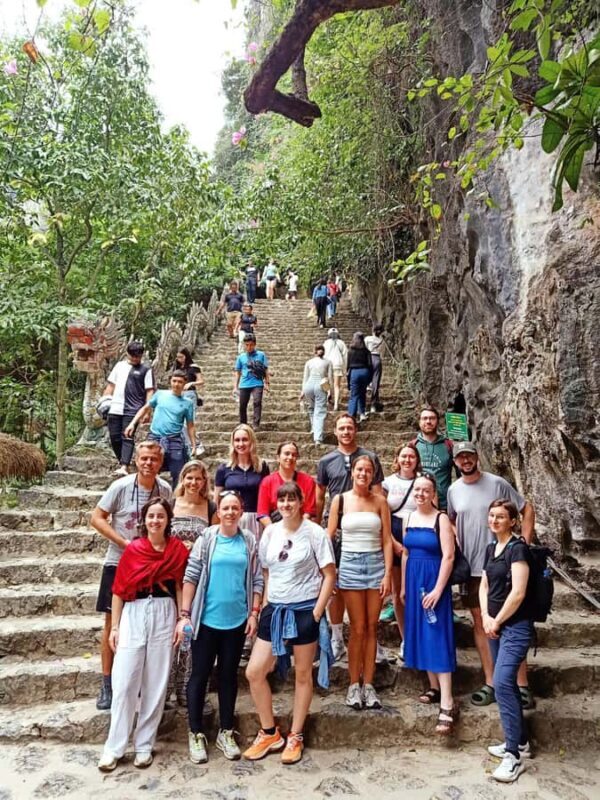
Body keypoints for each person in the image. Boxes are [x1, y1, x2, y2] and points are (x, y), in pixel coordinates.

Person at [244, 481, 336, 764]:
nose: (286, 505)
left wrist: (317, 613)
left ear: (301, 501)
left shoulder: (315, 533)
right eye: (281, 500)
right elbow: (266, 571)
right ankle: (269, 732)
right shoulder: (270, 532)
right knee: (254, 671)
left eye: (291, 499)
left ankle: (295, 735)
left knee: (303, 674)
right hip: (275, 609)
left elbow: (329, 575)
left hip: (304, 609)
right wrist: (265, 604)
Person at [97, 497, 189, 771]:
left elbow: (180, 585)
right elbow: (118, 590)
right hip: (134, 612)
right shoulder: (134, 549)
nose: (155, 521)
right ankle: (114, 747)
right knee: (124, 681)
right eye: (151, 516)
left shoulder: (176, 550)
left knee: (156, 681)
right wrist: (115, 627)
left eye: (160, 516)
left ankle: (144, 745)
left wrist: (181, 618)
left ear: (168, 520)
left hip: (164, 611)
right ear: (144, 520)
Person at [176, 490, 264, 764]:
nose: (230, 512)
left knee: (228, 676)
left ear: (241, 511)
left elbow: (257, 579)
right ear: (218, 511)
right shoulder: (207, 538)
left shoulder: (248, 540)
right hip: (205, 621)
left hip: (236, 622)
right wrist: (185, 614)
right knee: (199, 675)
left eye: (235, 508)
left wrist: (254, 613)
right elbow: (191, 575)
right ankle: (195, 733)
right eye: (225, 508)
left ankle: (226, 731)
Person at [447, 441, 535, 708]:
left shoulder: (497, 483)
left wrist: (523, 544)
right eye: (460, 457)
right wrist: (457, 543)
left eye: (469, 456)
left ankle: (521, 685)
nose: (465, 460)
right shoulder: (453, 490)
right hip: (472, 568)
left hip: (502, 566)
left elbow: (526, 508)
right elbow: (451, 520)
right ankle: (492, 682)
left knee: (511, 621)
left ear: (477, 457)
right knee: (480, 623)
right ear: (455, 461)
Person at [91, 441, 172, 711]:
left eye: (154, 459)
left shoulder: (165, 489)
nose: (148, 463)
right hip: (119, 560)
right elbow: (97, 518)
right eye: (144, 458)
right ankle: (107, 683)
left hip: (151, 565)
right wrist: (124, 543)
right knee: (111, 621)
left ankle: (143, 685)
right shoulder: (121, 486)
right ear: (136, 460)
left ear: (160, 463)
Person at [316, 413, 385, 662]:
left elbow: (379, 493)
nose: (346, 432)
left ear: (356, 430)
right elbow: (320, 495)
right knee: (335, 585)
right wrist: (318, 525)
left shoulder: (370, 457)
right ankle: (337, 636)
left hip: (366, 528)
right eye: (342, 428)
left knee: (369, 586)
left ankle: (371, 640)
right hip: (339, 526)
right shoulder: (326, 461)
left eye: (350, 427)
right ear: (335, 431)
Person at [327, 456, 392, 710]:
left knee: (372, 627)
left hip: (375, 564)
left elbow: (386, 539)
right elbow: (329, 536)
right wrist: (329, 571)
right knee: (357, 627)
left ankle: (369, 684)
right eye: (359, 469)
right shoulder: (340, 500)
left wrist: (387, 574)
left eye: (368, 470)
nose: (363, 474)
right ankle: (354, 684)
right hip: (350, 565)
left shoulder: (380, 501)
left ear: (373, 474)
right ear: (352, 472)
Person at [481, 500, 534, 783]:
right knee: (507, 684)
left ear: (513, 521)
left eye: (500, 517)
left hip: (515, 626)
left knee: (501, 682)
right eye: (491, 516)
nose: (494, 520)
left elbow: (518, 592)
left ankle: (513, 757)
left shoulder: (518, 549)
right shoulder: (492, 548)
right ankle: (520, 741)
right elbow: (484, 584)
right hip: (494, 626)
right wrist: (486, 617)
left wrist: (497, 620)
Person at [401, 473, 457, 734]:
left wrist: (438, 589)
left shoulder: (441, 518)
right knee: (421, 633)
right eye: (417, 489)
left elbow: (449, 556)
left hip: (434, 581)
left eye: (426, 490)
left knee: (436, 634)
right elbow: (406, 553)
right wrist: (404, 585)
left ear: (434, 493)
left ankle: (447, 701)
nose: (421, 494)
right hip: (413, 581)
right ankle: (433, 686)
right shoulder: (408, 518)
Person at [168, 460, 219, 707]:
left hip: (199, 578)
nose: (193, 482)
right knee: (169, 631)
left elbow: (217, 540)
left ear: (204, 481)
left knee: (194, 634)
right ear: (182, 479)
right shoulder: (171, 504)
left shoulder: (210, 507)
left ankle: (190, 691)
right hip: (171, 574)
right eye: (189, 477)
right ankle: (164, 690)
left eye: (198, 478)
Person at [380, 442, 421, 656]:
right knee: (398, 592)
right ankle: (406, 639)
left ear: (417, 460)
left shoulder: (423, 480)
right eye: (403, 456)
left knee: (418, 590)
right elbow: (381, 513)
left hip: (418, 531)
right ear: (396, 459)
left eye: (411, 456)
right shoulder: (387, 483)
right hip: (394, 532)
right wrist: (392, 541)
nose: (407, 460)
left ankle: (419, 636)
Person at [125, 370, 195, 487]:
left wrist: (193, 445)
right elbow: (145, 408)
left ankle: (175, 496)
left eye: (180, 382)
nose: (176, 384)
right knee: (149, 467)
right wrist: (132, 423)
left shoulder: (188, 403)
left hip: (174, 439)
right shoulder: (160, 394)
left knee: (178, 471)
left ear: (184, 384)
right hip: (155, 437)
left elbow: (190, 425)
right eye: (174, 381)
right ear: (170, 382)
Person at [103, 341, 155, 477]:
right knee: (114, 437)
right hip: (115, 407)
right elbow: (111, 385)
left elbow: (149, 391)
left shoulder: (146, 369)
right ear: (127, 354)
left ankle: (124, 465)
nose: (135, 359)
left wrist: (147, 411)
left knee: (127, 435)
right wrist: (104, 401)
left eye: (138, 356)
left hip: (134, 408)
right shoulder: (119, 366)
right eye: (132, 356)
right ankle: (123, 461)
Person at [214, 424, 270, 542]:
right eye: (237, 440)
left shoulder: (262, 467)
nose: (241, 444)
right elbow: (217, 500)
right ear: (233, 443)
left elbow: (266, 497)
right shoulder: (224, 469)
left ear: (251, 441)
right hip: (232, 518)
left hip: (256, 519)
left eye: (245, 440)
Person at [257, 441, 317, 527]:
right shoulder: (267, 482)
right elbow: (262, 513)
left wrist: (297, 529)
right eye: (287, 454)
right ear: (278, 457)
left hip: (301, 527)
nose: (290, 457)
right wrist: (275, 530)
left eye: (294, 455)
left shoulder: (308, 481)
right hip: (274, 527)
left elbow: (309, 511)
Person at [411, 407, 454, 510]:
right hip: (417, 504)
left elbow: (460, 475)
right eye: (424, 418)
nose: (428, 421)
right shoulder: (413, 445)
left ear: (438, 421)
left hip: (444, 505)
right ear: (419, 422)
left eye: (432, 418)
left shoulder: (448, 445)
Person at [173, 347, 205, 456]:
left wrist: (191, 383)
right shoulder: (177, 368)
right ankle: (190, 445)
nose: (179, 359)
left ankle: (197, 444)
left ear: (186, 356)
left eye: (181, 357)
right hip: (178, 395)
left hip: (190, 395)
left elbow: (201, 381)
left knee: (188, 423)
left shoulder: (193, 367)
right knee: (180, 423)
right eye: (177, 357)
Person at [233, 334, 270, 429]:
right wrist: (235, 386)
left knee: (257, 402)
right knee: (242, 405)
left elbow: (266, 370)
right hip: (244, 383)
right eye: (247, 345)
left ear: (255, 344)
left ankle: (256, 424)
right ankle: (243, 424)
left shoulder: (261, 355)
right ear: (244, 345)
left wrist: (267, 383)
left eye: (251, 345)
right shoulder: (241, 357)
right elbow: (237, 372)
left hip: (257, 382)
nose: (249, 347)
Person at [300, 344, 333, 445]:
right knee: (320, 411)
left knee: (311, 408)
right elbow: (329, 379)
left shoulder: (309, 362)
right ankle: (318, 438)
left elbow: (305, 378)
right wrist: (329, 392)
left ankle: (314, 429)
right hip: (320, 385)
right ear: (324, 352)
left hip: (308, 386)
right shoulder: (328, 362)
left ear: (314, 352)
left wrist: (302, 392)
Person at [347, 331, 373, 423]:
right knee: (362, 393)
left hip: (354, 372)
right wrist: (370, 378)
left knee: (354, 395)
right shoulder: (366, 351)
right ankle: (362, 414)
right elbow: (370, 365)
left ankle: (351, 416)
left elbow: (348, 365)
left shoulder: (350, 351)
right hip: (365, 371)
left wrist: (348, 379)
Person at [323, 328, 348, 412]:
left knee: (325, 382)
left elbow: (323, 355)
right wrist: (345, 368)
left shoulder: (326, 343)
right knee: (336, 385)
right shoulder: (341, 343)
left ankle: (328, 393)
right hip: (338, 364)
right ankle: (336, 405)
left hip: (328, 365)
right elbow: (345, 356)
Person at [364, 324, 384, 413]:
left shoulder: (367, 338)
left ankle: (364, 404)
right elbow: (382, 352)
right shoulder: (382, 340)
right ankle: (373, 404)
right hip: (377, 359)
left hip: (368, 359)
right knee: (376, 381)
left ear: (373, 330)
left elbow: (364, 349)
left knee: (365, 381)